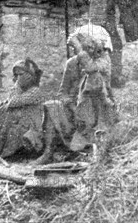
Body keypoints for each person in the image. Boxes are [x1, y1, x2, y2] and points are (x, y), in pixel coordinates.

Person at [36, 23, 118, 164]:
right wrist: (71, 106)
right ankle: (48, 152)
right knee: (52, 106)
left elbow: (91, 69)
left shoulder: (103, 61)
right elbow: (62, 92)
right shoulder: (72, 63)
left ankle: (94, 153)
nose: (75, 50)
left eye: (78, 46)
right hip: (75, 109)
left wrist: (80, 49)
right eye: (75, 47)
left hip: (98, 111)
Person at [0, 58, 46, 159]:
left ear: (29, 76)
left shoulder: (35, 92)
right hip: (18, 120)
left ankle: (3, 152)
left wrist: (17, 85)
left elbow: (13, 101)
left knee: (7, 116)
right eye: (15, 75)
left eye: (20, 75)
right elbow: (11, 100)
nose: (17, 78)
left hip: (30, 125)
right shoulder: (20, 89)